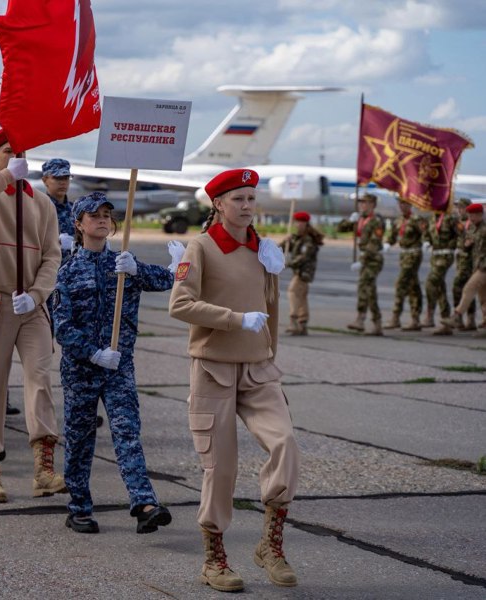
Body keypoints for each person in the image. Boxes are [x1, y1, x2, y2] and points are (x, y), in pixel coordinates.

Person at [169, 168, 299, 592]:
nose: (246, 205)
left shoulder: (265, 250)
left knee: (285, 445)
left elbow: (273, 310)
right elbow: (180, 304)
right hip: (214, 369)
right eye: (238, 199)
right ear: (218, 205)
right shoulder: (202, 247)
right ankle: (214, 558)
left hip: (259, 370)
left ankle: (270, 545)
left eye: (251, 198)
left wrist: (269, 353)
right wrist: (234, 320)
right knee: (220, 468)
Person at [53, 192, 182, 534]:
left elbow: (170, 279)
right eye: (93, 215)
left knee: (127, 432)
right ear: (78, 225)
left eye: (107, 214)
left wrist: (148, 267)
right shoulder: (68, 271)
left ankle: (144, 503)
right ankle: (79, 506)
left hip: (119, 369)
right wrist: (93, 352)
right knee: (80, 439)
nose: (102, 219)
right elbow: (62, 327)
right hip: (82, 368)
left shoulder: (124, 263)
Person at [0, 128, 64, 503]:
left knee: (40, 380)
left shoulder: (41, 203)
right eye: (8, 151)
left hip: (31, 307)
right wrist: (4, 177)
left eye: (21, 150)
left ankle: (44, 467)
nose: (17, 156)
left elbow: (52, 255)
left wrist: (37, 294)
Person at [441, 203, 486, 335]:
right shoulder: (472, 228)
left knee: (469, 288)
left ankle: (457, 316)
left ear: (480, 215)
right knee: (483, 297)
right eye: (470, 215)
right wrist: (467, 245)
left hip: (484, 267)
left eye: (474, 216)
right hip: (477, 265)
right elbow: (469, 244)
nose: (471, 218)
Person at [383, 200, 428, 331]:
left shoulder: (417, 219)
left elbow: (425, 233)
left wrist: (426, 242)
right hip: (403, 255)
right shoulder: (398, 220)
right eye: (400, 204)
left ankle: (395, 317)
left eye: (405, 204)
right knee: (413, 286)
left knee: (401, 283)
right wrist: (387, 243)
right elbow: (393, 236)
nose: (402, 206)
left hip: (414, 254)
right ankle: (416, 319)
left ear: (410, 205)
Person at [347, 193, 386, 336]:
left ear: (372, 205)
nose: (362, 205)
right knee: (368, 290)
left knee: (365, 286)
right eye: (361, 202)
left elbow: (374, 243)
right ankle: (375, 323)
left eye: (365, 202)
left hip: (373, 259)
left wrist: (361, 261)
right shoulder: (360, 219)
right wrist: (350, 221)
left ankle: (361, 319)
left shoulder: (376, 221)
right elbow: (341, 229)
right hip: (365, 258)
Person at [278, 211, 323, 336]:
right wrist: (285, 241)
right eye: (296, 222)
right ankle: (302, 323)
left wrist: (288, 264)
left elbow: (304, 257)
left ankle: (294, 320)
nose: (297, 225)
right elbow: (280, 248)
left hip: (304, 272)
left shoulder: (309, 240)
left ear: (306, 223)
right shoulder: (296, 238)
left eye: (300, 222)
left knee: (293, 292)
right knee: (301, 296)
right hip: (298, 272)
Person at [424, 207, 459, 335]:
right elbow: (427, 234)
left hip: (446, 255)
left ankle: (429, 315)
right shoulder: (432, 218)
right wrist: (426, 242)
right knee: (439, 286)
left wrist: (453, 247)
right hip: (435, 256)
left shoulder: (450, 218)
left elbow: (460, 234)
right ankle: (446, 321)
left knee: (431, 282)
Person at [41, 158, 75, 263]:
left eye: (66, 178)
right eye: (57, 178)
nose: (63, 183)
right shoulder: (39, 209)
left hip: (75, 272)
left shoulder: (76, 210)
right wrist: (57, 242)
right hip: (49, 270)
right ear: (45, 180)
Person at [452, 198, 479, 330]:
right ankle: (469, 319)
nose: (459, 210)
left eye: (462, 208)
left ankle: (460, 317)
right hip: (461, 260)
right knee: (468, 290)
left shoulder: (474, 224)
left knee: (459, 287)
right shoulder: (459, 224)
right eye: (458, 208)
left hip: (472, 261)